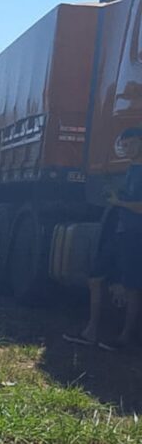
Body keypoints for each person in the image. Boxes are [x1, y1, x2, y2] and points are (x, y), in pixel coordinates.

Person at [63, 127, 142, 351]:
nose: (127, 149)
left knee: (132, 286)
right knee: (95, 278)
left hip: (136, 234)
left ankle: (125, 338)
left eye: (131, 144)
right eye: (124, 146)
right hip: (120, 232)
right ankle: (91, 331)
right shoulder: (132, 169)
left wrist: (119, 203)